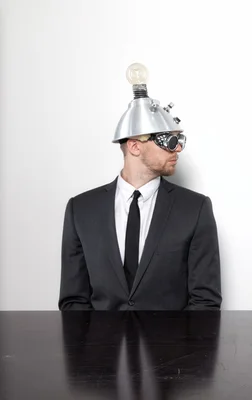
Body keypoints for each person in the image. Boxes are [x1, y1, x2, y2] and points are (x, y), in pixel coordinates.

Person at [59, 63, 221, 310]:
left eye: (179, 140)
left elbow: (205, 302)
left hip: (171, 348)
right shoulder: (81, 209)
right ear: (135, 146)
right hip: (100, 347)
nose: (177, 148)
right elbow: (73, 301)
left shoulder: (195, 209)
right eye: (168, 141)